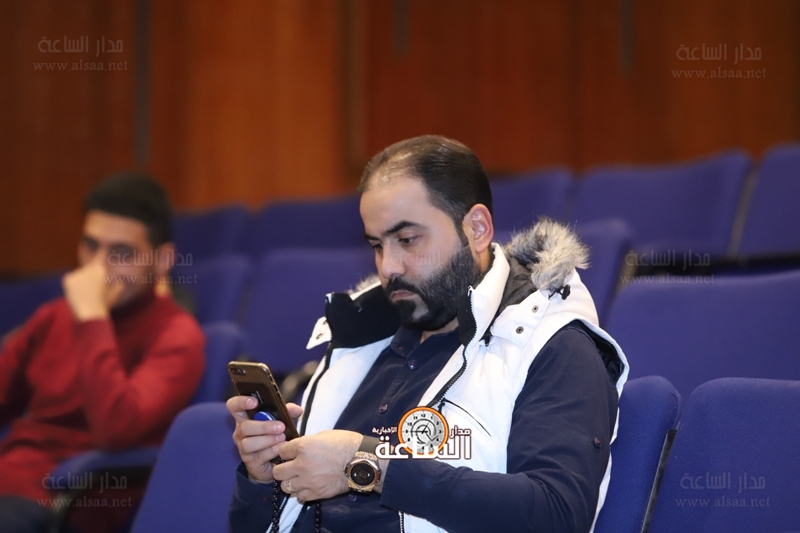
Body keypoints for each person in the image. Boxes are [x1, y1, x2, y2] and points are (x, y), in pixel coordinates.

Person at [228, 136, 628, 533]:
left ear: (477, 229)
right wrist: (264, 480)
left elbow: (556, 514)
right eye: (377, 245)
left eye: (407, 240)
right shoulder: (359, 343)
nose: (389, 267)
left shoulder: (553, 343)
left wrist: (369, 464)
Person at [0, 173, 205, 533]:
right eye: (90, 246)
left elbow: (117, 429)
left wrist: (92, 319)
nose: (98, 268)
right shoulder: (54, 316)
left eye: (121, 253)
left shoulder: (178, 334)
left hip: (71, 501)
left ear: (162, 260)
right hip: (12, 478)